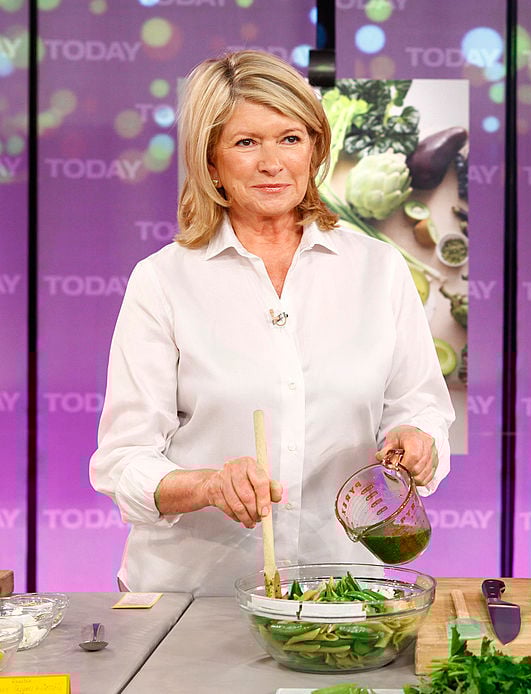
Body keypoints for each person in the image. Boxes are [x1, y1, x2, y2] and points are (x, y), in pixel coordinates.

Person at [89, 50, 455, 596]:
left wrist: (416, 438)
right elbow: (123, 460)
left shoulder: (379, 268)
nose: (272, 163)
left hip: (340, 589)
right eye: (245, 142)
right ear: (210, 162)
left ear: (314, 149)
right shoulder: (163, 280)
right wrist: (208, 485)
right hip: (193, 595)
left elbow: (420, 406)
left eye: (290, 138)